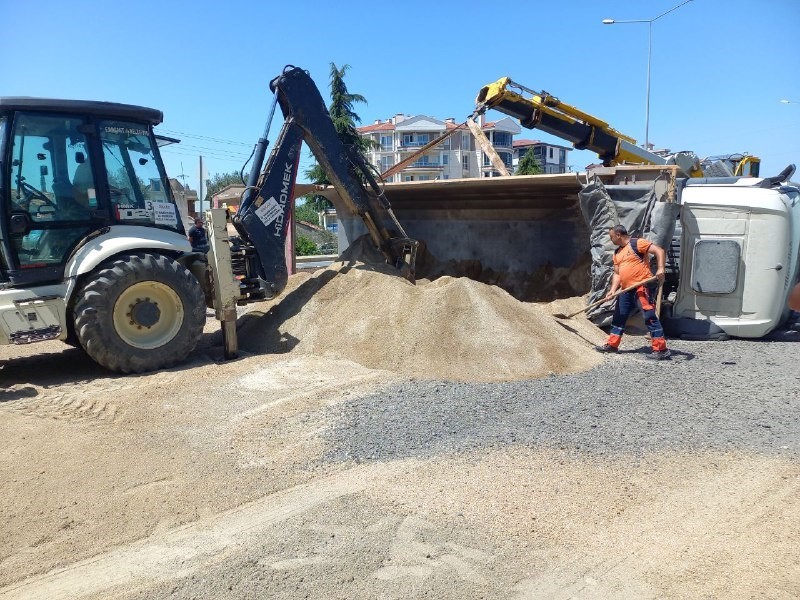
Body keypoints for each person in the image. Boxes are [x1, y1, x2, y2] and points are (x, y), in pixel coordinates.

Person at [596, 224, 671, 360]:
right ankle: (612, 345)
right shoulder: (617, 253)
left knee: (649, 316)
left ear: (618, 235)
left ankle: (661, 349)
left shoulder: (637, 243)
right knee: (619, 316)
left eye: (611, 237)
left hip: (641, 287)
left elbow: (659, 251)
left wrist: (660, 268)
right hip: (625, 290)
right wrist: (612, 290)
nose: (611, 239)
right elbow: (617, 274)